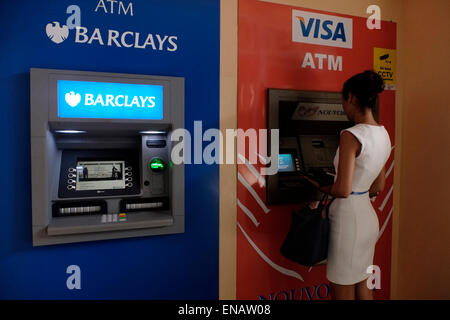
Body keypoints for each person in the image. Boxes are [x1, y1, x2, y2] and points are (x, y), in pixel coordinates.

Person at [306, 70, 392, 300]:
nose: (343, 106)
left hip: (347, 223)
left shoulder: (351, 135)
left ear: (351, 97)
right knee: (363, 288)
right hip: (367, 219)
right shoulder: (383, 134)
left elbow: (342, 190)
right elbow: (379, 186)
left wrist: (319, 184)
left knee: (342, 291)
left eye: (343, 100)